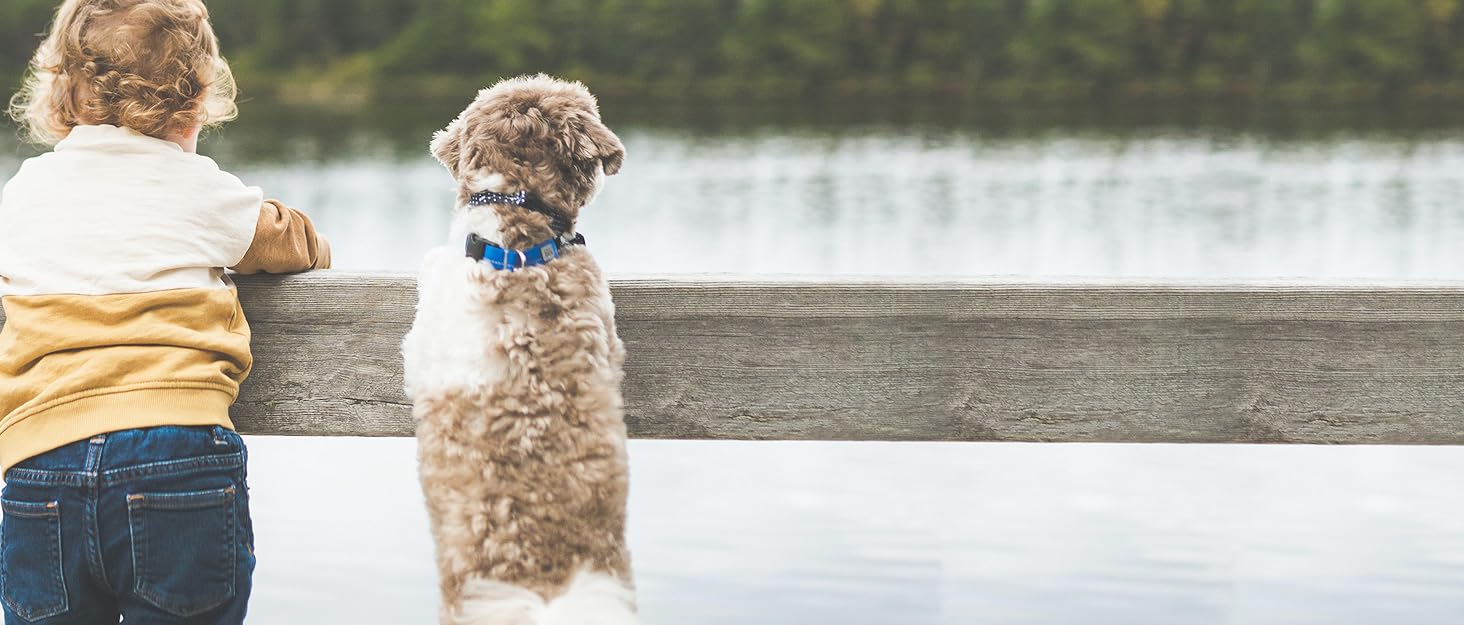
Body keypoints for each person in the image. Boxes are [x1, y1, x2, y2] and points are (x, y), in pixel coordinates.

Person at [0, 1, 330, 622]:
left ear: (61, 91)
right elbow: (291, 244)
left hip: (41, 464)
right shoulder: (199, 189)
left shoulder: (22, 193)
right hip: (177, 456)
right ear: (197, 98)